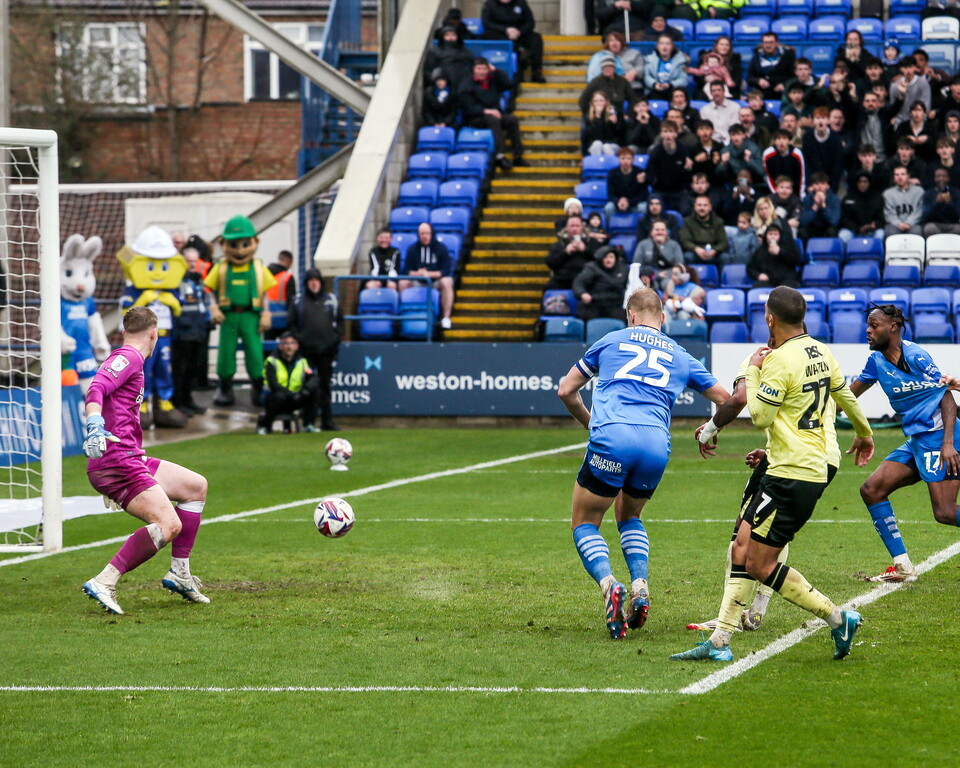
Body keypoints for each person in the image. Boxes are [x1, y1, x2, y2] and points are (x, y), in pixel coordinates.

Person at [670, 286, 873, 662]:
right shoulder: (821, 350)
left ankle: (837, 618)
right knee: (742, 543)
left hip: (795, 470)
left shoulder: (778, 360)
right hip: (801, 462)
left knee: (759, 564)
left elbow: (760, 415)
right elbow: (845, 395)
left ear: (769, 318)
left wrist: (752, 368)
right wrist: (864, 433)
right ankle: (720, 640)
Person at [557, 288, 729, 639]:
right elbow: (726, 399)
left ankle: (609, 585)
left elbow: (565, 390)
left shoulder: (611, 340)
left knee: (585, 521)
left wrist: (592, 424)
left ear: (630, 315)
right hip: (655, 445)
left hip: (612, 438)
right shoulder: (680, 354)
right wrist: (711, 431)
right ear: (662, 318)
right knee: (630, 516)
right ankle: (640, 588)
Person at [687, 327, 844, 634]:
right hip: (821, 457)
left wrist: (709, 429)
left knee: (743, 536)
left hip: (792, 461)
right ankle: (755, 609)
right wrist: (864, 432)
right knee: (770, 533)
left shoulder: (761, 360)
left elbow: (742, 400)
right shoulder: (816, 357)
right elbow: (835, 401)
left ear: (772, 323)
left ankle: (728, 622)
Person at [81, 307, 211, 615]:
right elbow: (96, 388)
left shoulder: (131, 358)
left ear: (124, 331)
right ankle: (105, 580)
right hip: (117, 460)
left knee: (196, 486)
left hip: (130, 457)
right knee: (169, 524)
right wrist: (95, 425)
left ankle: (180, 573)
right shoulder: (127, 358)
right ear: (154, 334)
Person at [850, 304, 960, 583]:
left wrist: (948, 444)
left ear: (893, 327)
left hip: (940, 436)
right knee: (872, 489)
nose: (868, 331)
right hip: (918, 440)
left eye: (874, 325)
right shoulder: (876, 361)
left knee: (945, 512)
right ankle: (902, 566)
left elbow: (946, 397)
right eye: (868, 325)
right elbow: (848, 397)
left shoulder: (917, 356)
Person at [287, 268, 342, 431]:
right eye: (311, 280)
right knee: (308, 387)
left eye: (316, 280)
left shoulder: (332, 300)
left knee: (325, 387)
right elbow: (292, 325)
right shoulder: (298, 301)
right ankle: (308, 422)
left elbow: (340, 324)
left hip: (327, 352)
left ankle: (327, 421)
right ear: (306, 283)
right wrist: (301, 343)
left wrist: (333, 342)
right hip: (306, 354)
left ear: (321, 282)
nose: (314, 283)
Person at [459, 58, 526, 171]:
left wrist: (496, 71)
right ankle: (499, 156)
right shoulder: (467, 84)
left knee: (512, 119)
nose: (481, 72)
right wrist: (486, 111)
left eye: (484, 68)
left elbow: (509, 84)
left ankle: (518, 155)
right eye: (479, 68)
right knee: (493, 120)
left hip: (495, 114)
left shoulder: (494, 79)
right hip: (476, 118)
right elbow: (468, 107)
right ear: (474, 70)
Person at [171, 246, 210, 416]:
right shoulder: (177, 281)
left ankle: (188, 400)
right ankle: (178, 402)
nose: (193, 265)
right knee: (181, 370)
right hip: (183, 334)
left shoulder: (197, 281)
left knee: (193, 369)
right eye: (189, 261)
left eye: (195, 261)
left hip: (198, 332)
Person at [257, 331, 320, 435]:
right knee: (277, 397)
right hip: (277, 397)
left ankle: (309, 424)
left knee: (314, 392)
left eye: (292, 343)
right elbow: (273, 384)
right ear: (280, 346)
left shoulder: (302, 362)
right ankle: (265, 426)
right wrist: (289, 394)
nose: (289, 347)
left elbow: (313, 378)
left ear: (297, 346)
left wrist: (305, 390)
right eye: (286, 343)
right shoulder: (271, 361)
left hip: (296, 397)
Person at [401, 222, 455, 330]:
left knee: (446, 282)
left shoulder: (441, 248)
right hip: (418, 280)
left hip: (435, 281)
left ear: (431, 233)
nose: (425, 236)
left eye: (427, 233)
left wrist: (429, 274)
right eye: (422, 233)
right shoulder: (412, 249)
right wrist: (419, 273)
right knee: (403, 282)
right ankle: (402, 317)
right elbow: (407, 270)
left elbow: (445, 270)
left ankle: (446, 317)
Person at [481, 0, 545, 83]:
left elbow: (530, 22)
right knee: (505, 42)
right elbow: (486, 23)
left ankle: (537, 72)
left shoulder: (521, 3)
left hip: (520, 34)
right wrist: (505, 30)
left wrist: (519, 32)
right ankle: (518, 74)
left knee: (536, 38)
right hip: (500, 35)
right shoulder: (489, 4)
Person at [572, 245, 629, 322]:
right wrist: (582, 293)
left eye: (611, 257)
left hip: (615, 304)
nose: (608, 260)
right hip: (595, 303)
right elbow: (578, 283)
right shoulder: (592, 268)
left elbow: (629, 285)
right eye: (605, 257)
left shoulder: (622, 268)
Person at [646, 120, 692, 212]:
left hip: (679, 191)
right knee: (654, 208)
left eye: (671, 131)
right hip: (660, 190)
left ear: (676, 134)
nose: (668, 135)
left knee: (686, 209)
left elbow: (687, 176)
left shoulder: (683, 150)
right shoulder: (655, 152)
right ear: (661, 134)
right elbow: (650, 172)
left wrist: (687, 169)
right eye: (665, 131)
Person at [546, 214, 597, 290]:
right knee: (548, 288)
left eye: (577, 226)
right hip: (563, 280)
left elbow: (600, 259)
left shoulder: (591, 242)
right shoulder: (559, 244)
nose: (574, 229)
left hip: (587, 279)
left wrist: (585, 250)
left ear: (582, 228)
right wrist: (565, 252)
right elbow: (550, 263)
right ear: (566, 228)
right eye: (572, 226)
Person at [746, 222, 802, 287]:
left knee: (788, 287)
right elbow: (750, 268)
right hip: (768, 281)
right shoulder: (760, 250)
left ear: (780, 236)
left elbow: (796, 260)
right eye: (770, 234)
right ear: (766, 236)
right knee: (757, 286)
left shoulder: (788, 247)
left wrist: (780, 252)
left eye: (775, 234)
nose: (772, 237)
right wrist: (758, 275)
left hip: (786, 280)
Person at [680, 194, 729, 268]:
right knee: (688, 256)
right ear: (694, 207)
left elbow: (723, 242)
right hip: (696, 253)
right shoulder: (687, 222)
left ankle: (721, 279)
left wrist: (715, 251)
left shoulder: (718, 221)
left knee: (725, 257)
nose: (702, 208)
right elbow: (686, 241)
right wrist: (696, 249)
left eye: (705, 205)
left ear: (710, 207)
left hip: (713, 253)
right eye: (699, 205)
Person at [747, 33, 797, 101]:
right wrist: (758, 80)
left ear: (777, 43)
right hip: (762, 94)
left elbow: (794, 77)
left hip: (783, 93)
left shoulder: (788, 56)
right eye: (766, 43)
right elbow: (750, 78)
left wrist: (784, 85)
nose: (768, 45)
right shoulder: (756, 57)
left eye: (771, 42)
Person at [839, 170, 885, 242]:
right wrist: (858, 228)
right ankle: (849, 253)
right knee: (843, 235)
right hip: (853, 230)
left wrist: (874, 224)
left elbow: (881, 218)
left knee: (880, 234)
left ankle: (875, 253)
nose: (862, 184)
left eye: (865, 181)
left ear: (870, 183)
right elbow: (844, 219)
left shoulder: (877, 198)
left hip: (872, 230)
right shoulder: (848, 198)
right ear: (856, 183)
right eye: (860, 182)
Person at [604, 146, 647, 216]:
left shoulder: (640, 172)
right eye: (623, 158)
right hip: (618, 204)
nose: (625, 161)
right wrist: (618, 201)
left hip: (634, 204)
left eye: (628, 158)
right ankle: (609, 226)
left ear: (633, 160)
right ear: (618, 159)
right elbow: (610, 195)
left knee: (643, 207)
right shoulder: (612, 173)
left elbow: (643, 195)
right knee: (608, 208)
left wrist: (629, 202)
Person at [799, 171, 842, 240]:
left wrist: (823, 206)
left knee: (832, 231)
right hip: (813, 228)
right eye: (816, 184)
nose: (819, 186)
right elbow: (804, 221)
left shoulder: (835, 199)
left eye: (822, 184)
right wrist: (815, 206)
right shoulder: (807, 199)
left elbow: (834, 221)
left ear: (828, 186)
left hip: (827, 228)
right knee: (802, 231)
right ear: (813, 186)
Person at [883, 165, 924, 235]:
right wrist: (899, 223)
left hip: (914, 224)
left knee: (917, 232)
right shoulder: (887, 194)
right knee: (890, 233)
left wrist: (908, 223)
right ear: (893, 178)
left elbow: (920, 211)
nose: (900, 177)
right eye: (897, 175)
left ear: (908, 176)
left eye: (903, 174)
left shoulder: (919, 191)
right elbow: (888, 214)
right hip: (894, 225)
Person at [581, 90, 625, 156]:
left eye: (601, 100)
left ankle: (610, 165)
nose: (598, 103)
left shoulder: (614, 112)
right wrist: (597, 116)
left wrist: (614, 123)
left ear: (606, 102)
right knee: (597, 144)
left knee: (606, 147)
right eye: (595, 101)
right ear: (592, 103)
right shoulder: (589, 116)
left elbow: (619, 133)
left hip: (612, 144)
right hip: (596, 144)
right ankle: (597, 165)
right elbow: (593, 136)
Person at [762, 130, 805, 195]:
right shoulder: (768, 154)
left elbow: (802, 176)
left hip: (794, 191)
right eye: (778, 139)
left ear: (789, 141)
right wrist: (775, 193)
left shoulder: (797, 154)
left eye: (784, 138)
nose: (781, 142)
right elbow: (768, 176)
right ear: (774, 141)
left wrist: (800, 195)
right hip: (775, 191)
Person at [922, 167, 960, 235]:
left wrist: (950, 203)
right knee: (929, 229)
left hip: (952, 224)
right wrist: (936, 202)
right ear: (934, 179)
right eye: (938, 176)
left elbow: (958, 214)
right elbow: (925, 216)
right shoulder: (928, 194)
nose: (941, 179)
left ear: (948, 178)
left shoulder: (956, 192)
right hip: (935, 224)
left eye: (944, 176)